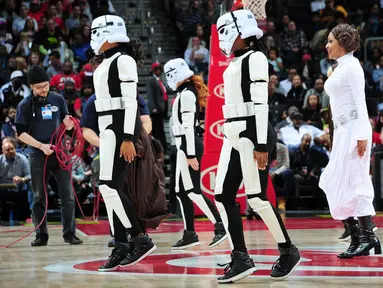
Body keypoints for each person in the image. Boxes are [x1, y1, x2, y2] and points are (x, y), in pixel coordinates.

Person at [213, 10, 301, 283]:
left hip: (253, 133)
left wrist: (261, 143)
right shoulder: (236, 62)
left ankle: (288, 250)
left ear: (242, 31)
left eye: (225, 30)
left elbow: (261, 105)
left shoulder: (256, 58)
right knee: (223, 195)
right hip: (233, 132)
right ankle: (240, 256)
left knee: (257, 198)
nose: (221, 37)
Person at [89, 15, 156, 271]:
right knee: (112, 187)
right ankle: (121, 244)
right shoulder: (107, 62)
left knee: (109, 186)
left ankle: (139, 238)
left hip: (119, 128)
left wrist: (128, 137)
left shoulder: (123, 60)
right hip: (109, 128)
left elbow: (130, 102)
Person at [319, 24, 381, 258]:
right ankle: (359, 237)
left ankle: (367, 237)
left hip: (355, 130)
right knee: (333, 182)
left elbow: (360, 102)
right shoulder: (341, 67)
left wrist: (362, 136)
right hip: (342, 130)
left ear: (342, 43)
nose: (326, 45)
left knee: (356, 183)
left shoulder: (353, 67)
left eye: (330, 41)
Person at [14, 65, 83, 246]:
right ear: (31, 87)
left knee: (67, 195)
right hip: (38, 154)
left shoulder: (57, 99)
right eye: (40, 87)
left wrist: (69, 124)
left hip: (60, 153)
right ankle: (41, 235)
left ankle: (70, 234)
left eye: (46, 85)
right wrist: (41, 146)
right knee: (38, 196)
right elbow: (21, 134)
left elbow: (67, 124)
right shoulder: (24, 105)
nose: (44, 90)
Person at [164, 58, 227, 249]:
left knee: (192, 191)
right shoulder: (186, 93)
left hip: (187, 145)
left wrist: (189, 153)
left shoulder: (187, 95)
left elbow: (188, 126)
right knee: (181, 192)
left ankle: (221, 226)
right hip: (184, 145)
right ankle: (189, 233)